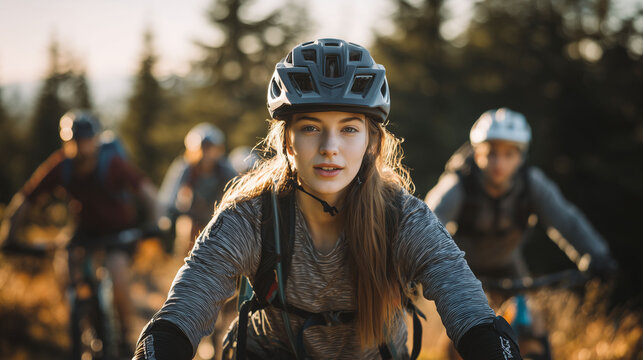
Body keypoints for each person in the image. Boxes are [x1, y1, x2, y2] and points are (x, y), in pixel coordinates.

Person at [134, 39, 522, 360]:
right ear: (287, 141)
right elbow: (182, 312)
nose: (329, 148)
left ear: (372, 141)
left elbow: (468, 307)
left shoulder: (402, 218)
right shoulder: (251, 217)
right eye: (310, 127)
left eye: (349, 129)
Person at [424, 108, 617, 358]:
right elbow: (427, 222)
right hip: (464, 273)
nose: (499, 163)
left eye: (509, 154)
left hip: (511, 269)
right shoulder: (459, 185)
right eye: (491, 153)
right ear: (477, 152)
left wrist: (596, 254)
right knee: (462, 341)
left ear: (521, 156)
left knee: (534, 332)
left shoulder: (532, 184)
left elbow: (566, 221)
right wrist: (412, 265)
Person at [0, 109, 160, 353]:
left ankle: (128, 334)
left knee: (117, 272)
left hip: (120, 231)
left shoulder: (112, 163)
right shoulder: (61, 166)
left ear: (95, 141)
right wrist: (8, 235)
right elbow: (27, 198)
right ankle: (83, 320)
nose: (80, 148)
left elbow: (146, 191)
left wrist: (156, 223)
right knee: (66, 269)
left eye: (85, 141)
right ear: (66, 143)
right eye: (74, 142)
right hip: (85, 230)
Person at [158, 122, 237, 253]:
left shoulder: (225, 170)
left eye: (209, 148)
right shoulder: (185, 169)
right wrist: (166, 218)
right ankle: (184, 264)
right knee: (186, 229)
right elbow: (169, 196)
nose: (205, 153)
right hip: (190, 218)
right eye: (202, 148)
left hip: (219, 219)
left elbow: (239, 191)